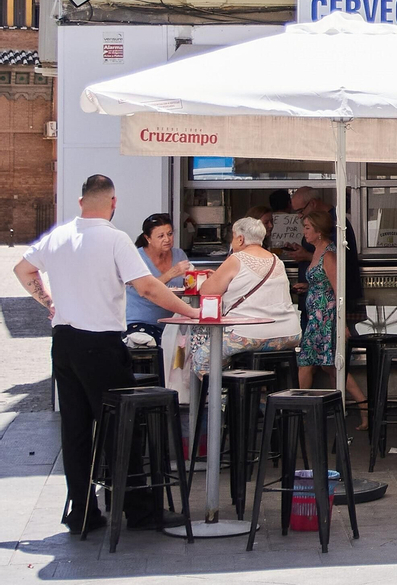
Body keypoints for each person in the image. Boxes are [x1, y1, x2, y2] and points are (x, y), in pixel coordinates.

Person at [14, 174, 198, 534]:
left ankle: (82, 512)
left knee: (76, 430)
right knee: (123, 427)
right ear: (113, 203)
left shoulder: (59, 235)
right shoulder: (114, 239)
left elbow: (23, 269)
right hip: (99, 343)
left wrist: (47, 302)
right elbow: (147, 288)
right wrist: (191, 312)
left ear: (81, 202)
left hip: (63, 342)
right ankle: (138, 511)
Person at [188, 217, 302, 377]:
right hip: (289, 334)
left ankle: (224, 393)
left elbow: (207, 291)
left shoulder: (236, 259)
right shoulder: (277, 261)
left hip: (250, 335)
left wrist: (212, 278)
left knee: (203, 360)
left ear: (240, 239)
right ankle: (257, 390)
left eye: (233, 237)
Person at [295, 209, 366, 416]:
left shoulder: (329, 254)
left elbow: (338, 289)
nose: (304, 232)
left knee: (321, 364)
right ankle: (305, 407)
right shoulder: (318, 251)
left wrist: (341, 324)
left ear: (318, 231)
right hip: (317, 317)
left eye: (307, 228)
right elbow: (324, 282)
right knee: (321, 364)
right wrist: (308, 287)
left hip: (326, 318)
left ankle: (302, 408)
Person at [125, 213, 191, 340]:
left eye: (170, 234)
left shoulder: (179, 255)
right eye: (161, 236)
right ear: (148, 238)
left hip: (172, 324)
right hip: (141, 323)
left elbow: (188, 284)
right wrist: (171, 273)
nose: (167, 239)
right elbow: (147, 288)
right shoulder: (136, 258)